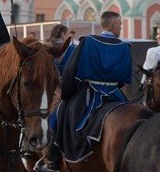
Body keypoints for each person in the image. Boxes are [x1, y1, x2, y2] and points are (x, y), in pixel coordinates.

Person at [35, 11, 132, 172]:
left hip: (89, 94)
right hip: (115, 94)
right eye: (120, 24)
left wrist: (66, 94)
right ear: (113, 24)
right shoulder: (124, 46)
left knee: (56, 116)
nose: (121, 27)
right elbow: (125, 77)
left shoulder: (88, 41)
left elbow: (71, 71)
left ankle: (52, 162)